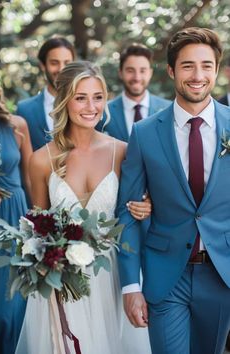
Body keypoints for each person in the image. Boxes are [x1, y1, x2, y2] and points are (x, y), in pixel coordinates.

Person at [15, 61, 151, 354]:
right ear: (65, 100)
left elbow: (137, 209)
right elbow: (37, 227)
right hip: (64, 283)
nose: (91, 106)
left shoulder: (122, 151)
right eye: (81, 97)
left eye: (98, 97)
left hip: (115, 277)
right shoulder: (41, 160)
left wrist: (147, 206)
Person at [117, 27, 230, 354]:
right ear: (170, 71)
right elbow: (126, 210)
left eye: (206, 66)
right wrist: (130, 286)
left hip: (221, 275)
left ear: (217, 70)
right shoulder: (145, 132)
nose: (198, 75)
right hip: (166, 277)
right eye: (187, 66)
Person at [0, 72, 32, 354]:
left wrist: (41, 224)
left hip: (15, 221)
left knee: (11, 310)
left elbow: (31, 177)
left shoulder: (16, 125)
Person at [98, 43, 171, 142]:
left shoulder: (169, 110)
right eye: (130, 70)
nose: (137, 77)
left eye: (142, 71)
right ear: (120, 73)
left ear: (150, 73)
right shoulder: (103, 112)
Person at [16, 36, 75, 151]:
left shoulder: (87, 107)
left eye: (67, 63)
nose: (61, 69)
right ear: (43, 65)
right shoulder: (24, 110)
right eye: (54, 63)